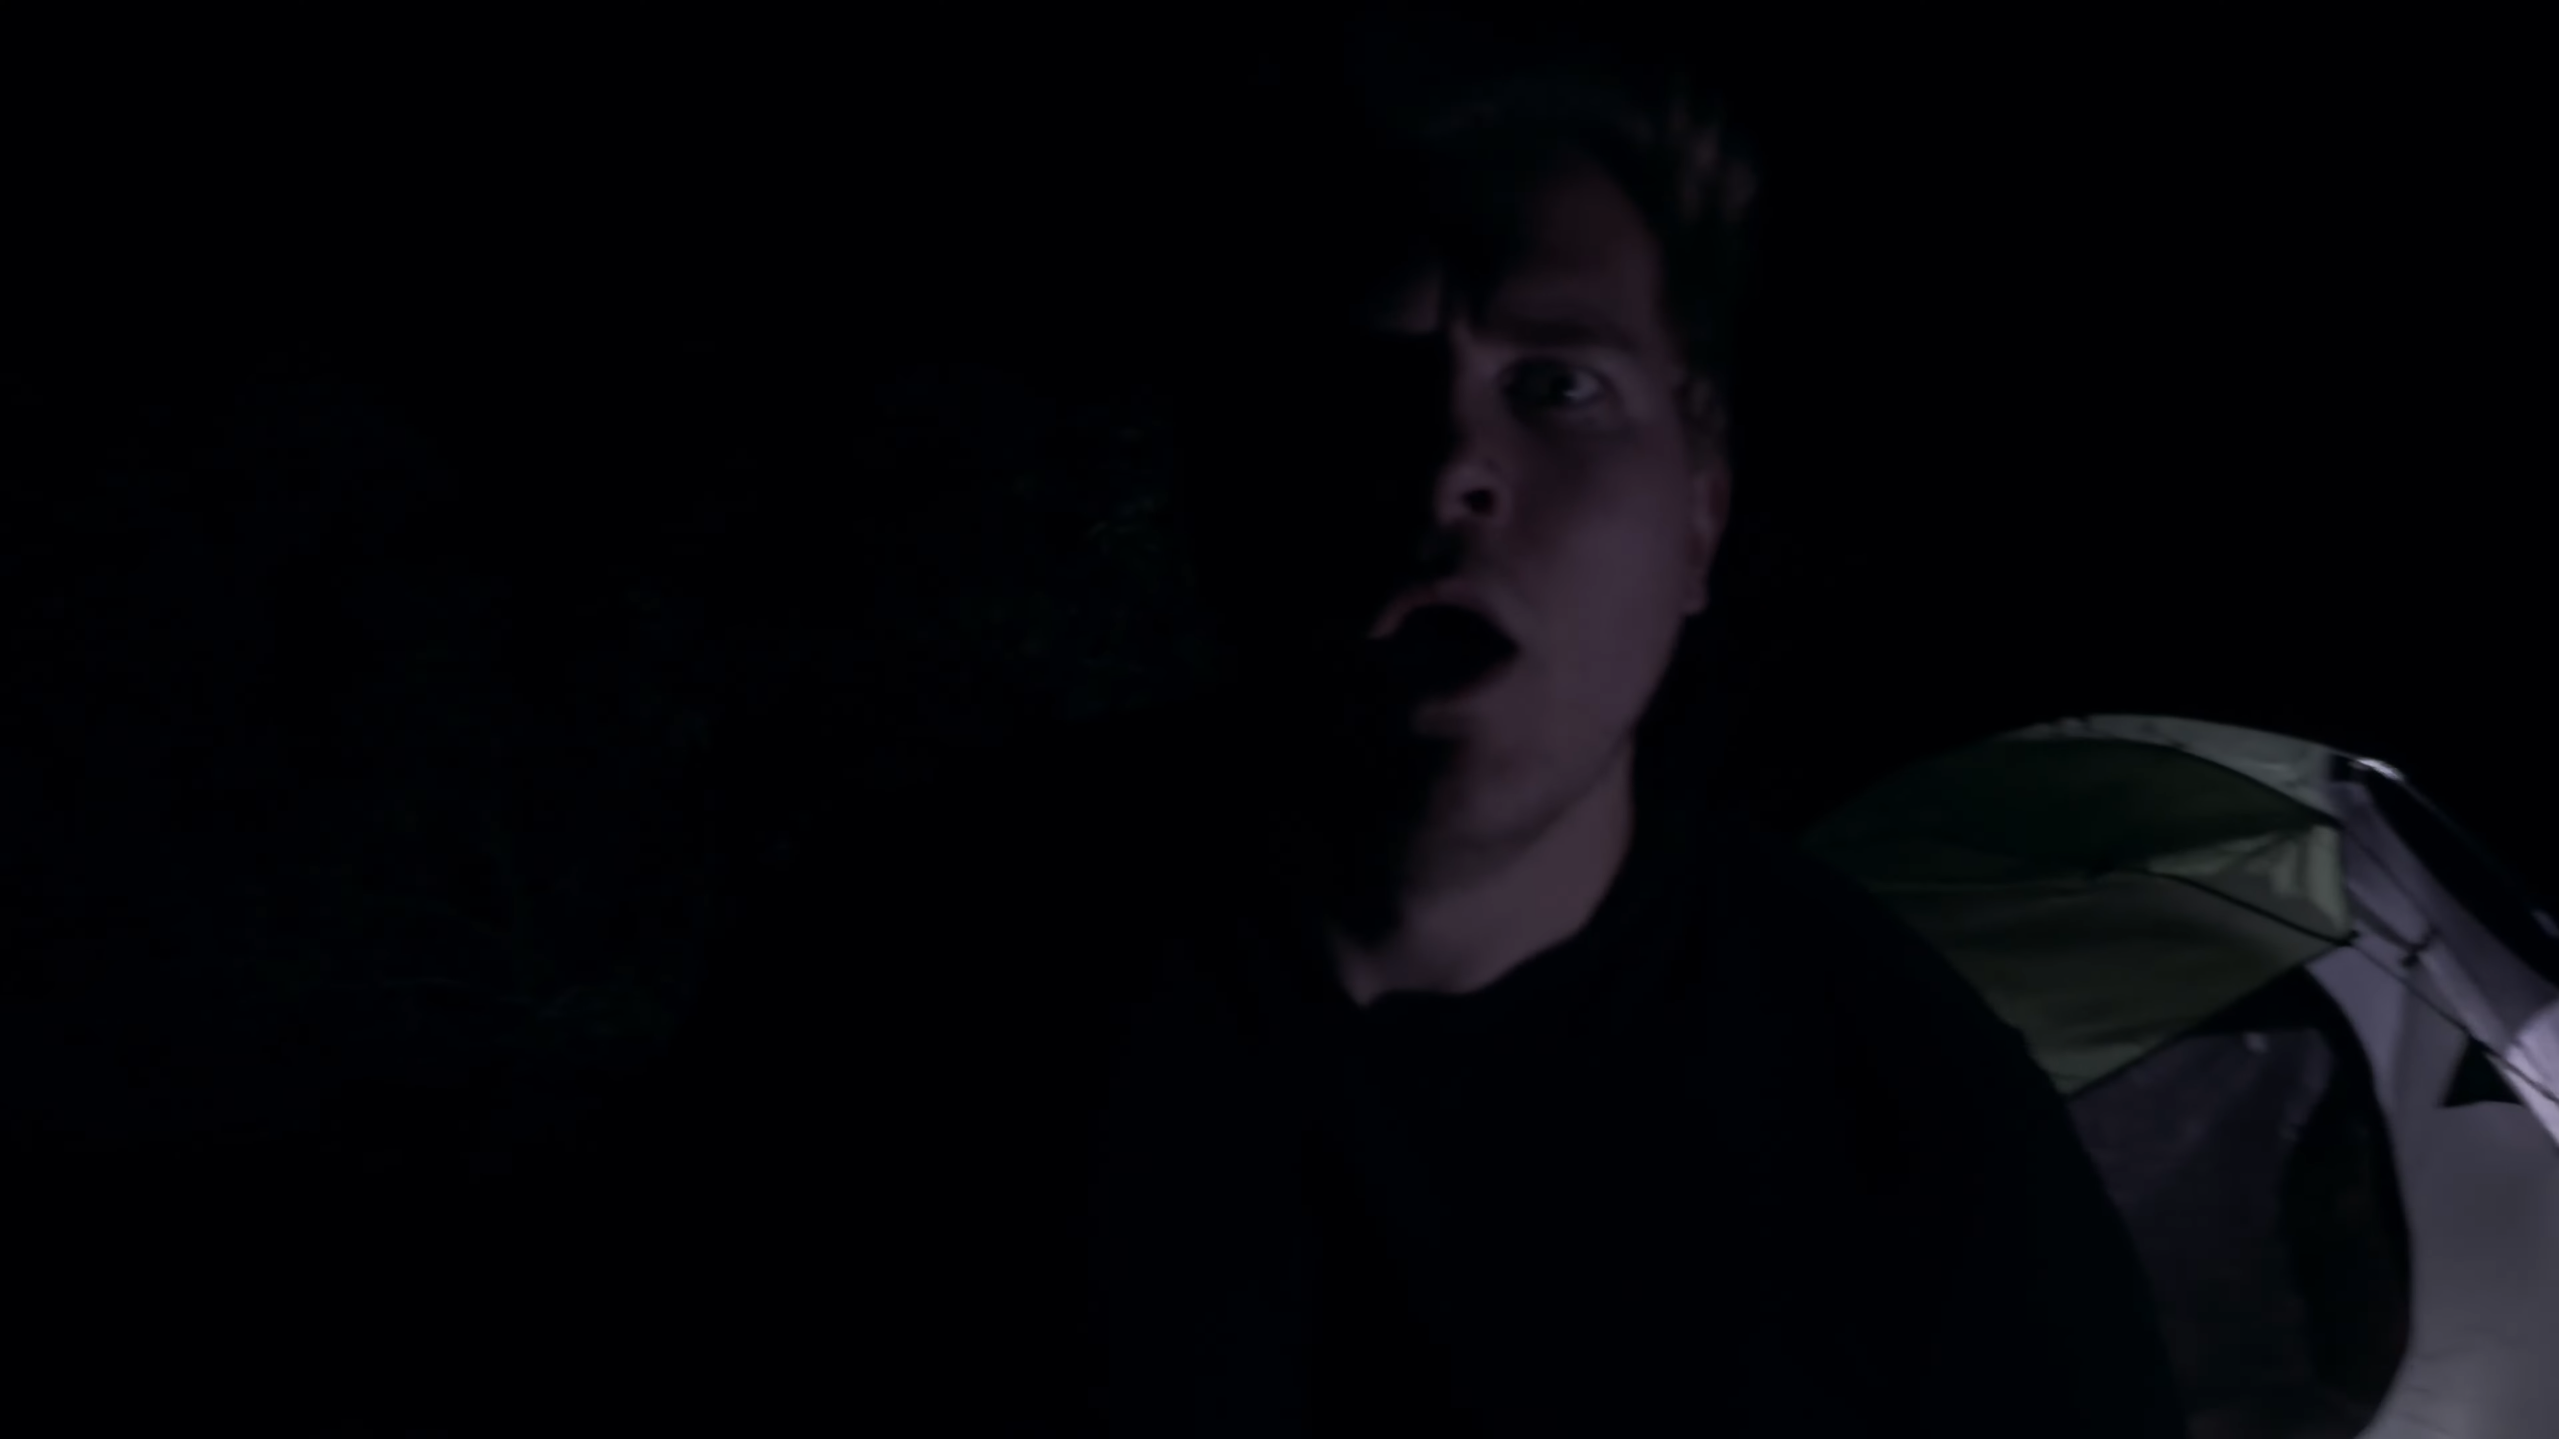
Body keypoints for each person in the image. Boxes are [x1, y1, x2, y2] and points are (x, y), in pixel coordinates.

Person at [526, 12, 2191, 1436]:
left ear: (1700, 511)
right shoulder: (888, 990)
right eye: (1353, 380)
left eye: (1557, 384)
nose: (1446, 467)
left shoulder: (1907, 1129)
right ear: (1219, 489)